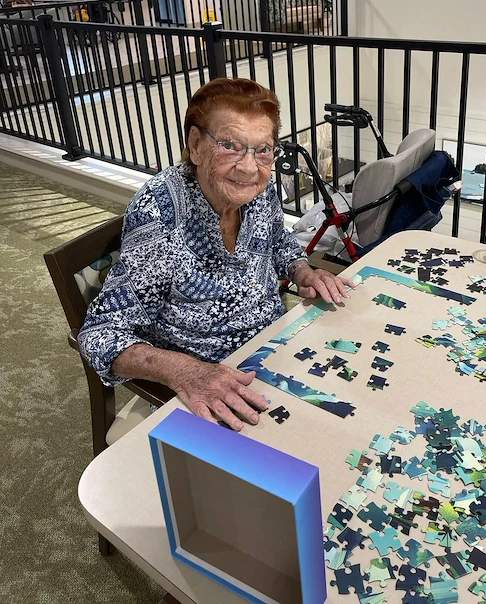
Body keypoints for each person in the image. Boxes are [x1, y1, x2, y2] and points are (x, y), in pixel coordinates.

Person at [78, 78, 353, 431]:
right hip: (208, 385)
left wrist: (303, 270)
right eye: (230, 146)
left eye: (263, 149)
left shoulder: (261, 186)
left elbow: (277, 240)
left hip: (277, 347)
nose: (250, 167)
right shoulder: (159, 214)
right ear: (195, 145)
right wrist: (186, 372)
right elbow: (99, 334)